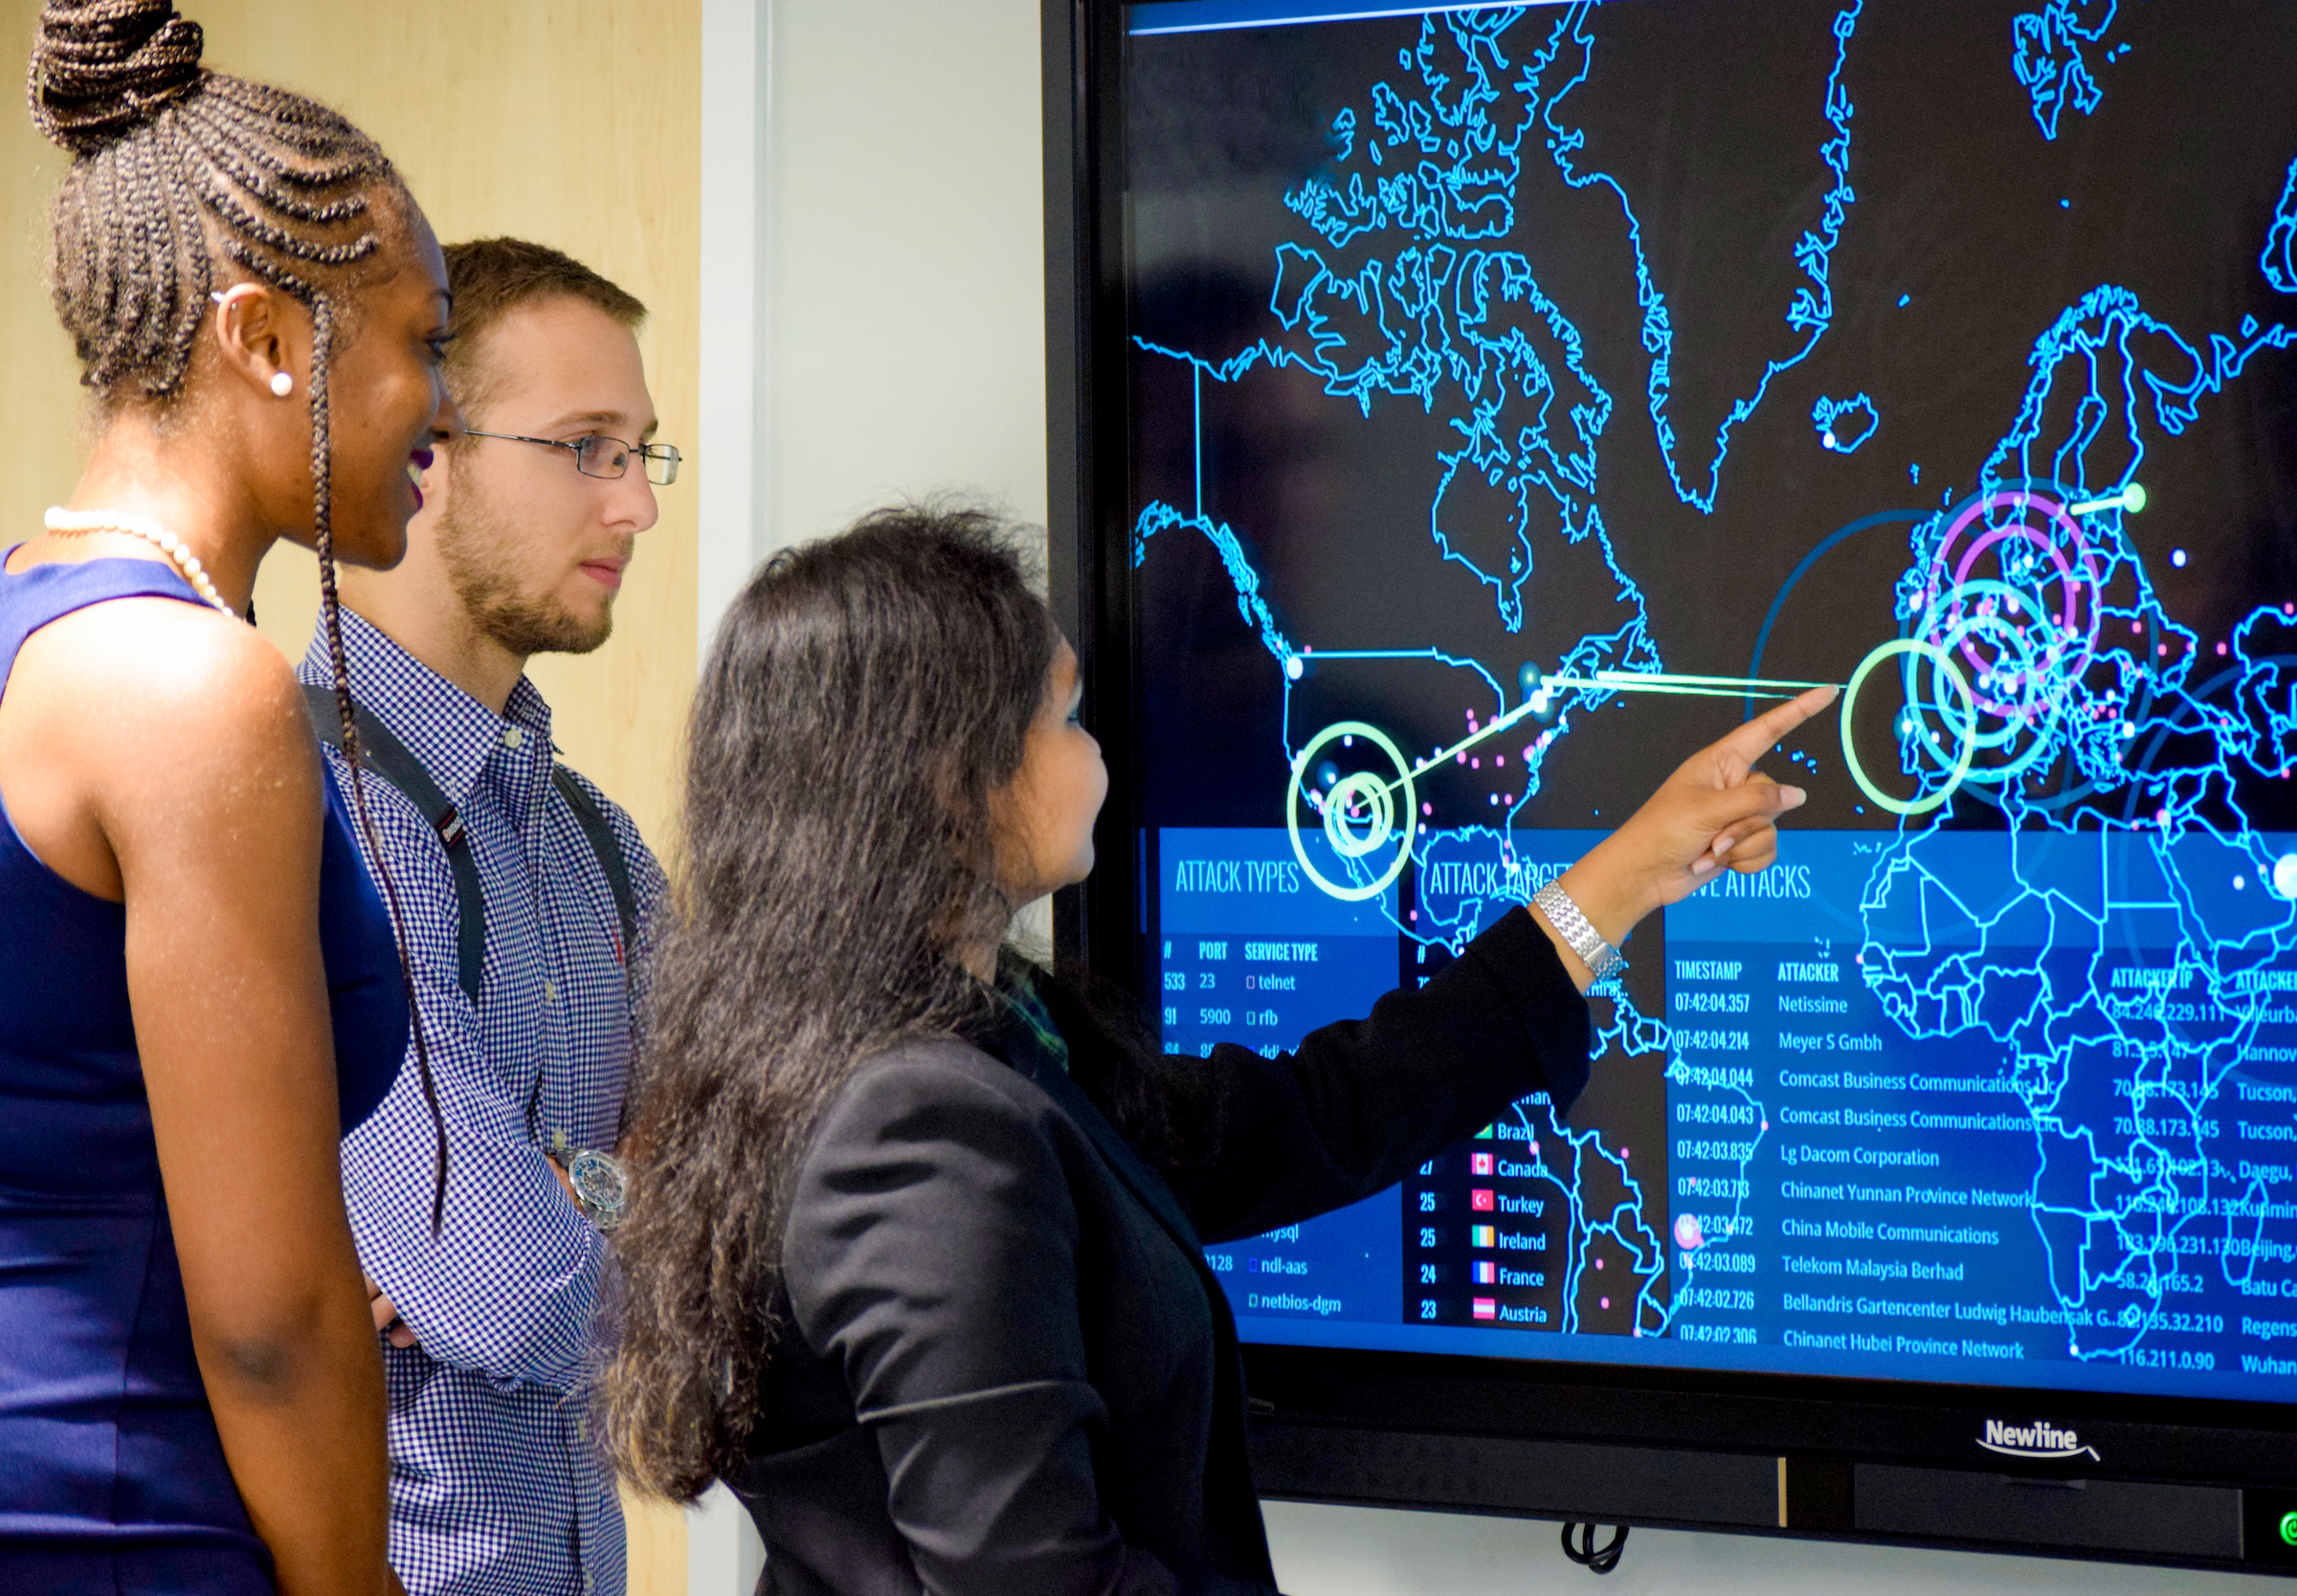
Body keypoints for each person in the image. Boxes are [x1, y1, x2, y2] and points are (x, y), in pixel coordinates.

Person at [600, 508, 1837, 1594]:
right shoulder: (916, 1126)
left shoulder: (962, 1042)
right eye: (1066, 715)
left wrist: (1621, 878)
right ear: (945, 776)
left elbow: (1308, 1115)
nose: (1098, 754)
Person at [0, 0, 459, 1591]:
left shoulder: (28, 634)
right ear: (264, 338)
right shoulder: (195, 691)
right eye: (420, 341)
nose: (444, 409)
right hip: (124, 1530)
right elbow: (269, 1323)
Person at [318, 236, 672, 1596]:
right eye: (588, 446)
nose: (636, 504)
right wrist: (631, 1194)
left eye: (645, 451)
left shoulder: (596, 844)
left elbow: (766, 1178)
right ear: (427, 448)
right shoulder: (319, 817)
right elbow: (502, 1282)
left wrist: (565, 1188)